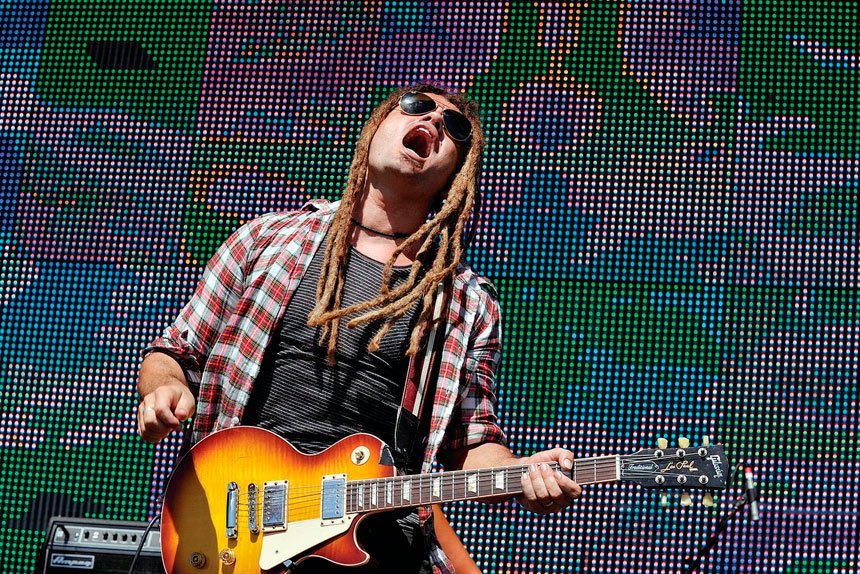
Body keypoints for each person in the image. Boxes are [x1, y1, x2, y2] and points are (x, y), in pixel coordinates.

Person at [137, 83, 581, 573]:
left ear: (455, 176)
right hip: (235, 531)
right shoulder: (267, 239)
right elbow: (176, 352)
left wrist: (522, 474)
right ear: (375, 128)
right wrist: (164, 389)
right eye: (417, 107)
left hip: (374, 545)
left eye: (453, 127)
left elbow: (469, 443)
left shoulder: (465, 302)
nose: (434, 121)